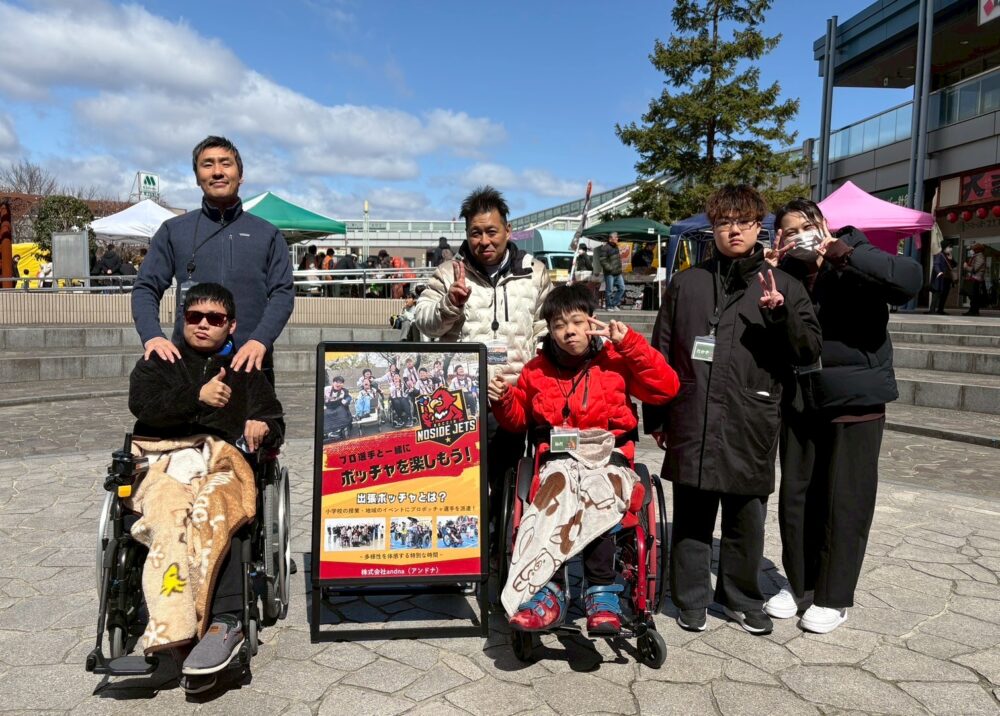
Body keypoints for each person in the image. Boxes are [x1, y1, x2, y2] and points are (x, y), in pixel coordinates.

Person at [644, 185, 822, 636]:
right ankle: (690, 598)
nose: (734, 230)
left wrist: (781, 314)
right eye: (725, 222)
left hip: (751, 414)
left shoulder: (784, 284)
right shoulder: (687, 283)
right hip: (693, 411)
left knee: (746, 516)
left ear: (759, 227)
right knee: (691, 514)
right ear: (713, 228)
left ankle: (741, 597)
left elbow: (808, 350)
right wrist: (659, 415)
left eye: (744, 222)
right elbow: (661, 352)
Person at [763, 198, 921, 634]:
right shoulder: (786, 272)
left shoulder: (854, 253)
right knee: (797, 499)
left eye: (806, 226)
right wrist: (768, 275)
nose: (799, 236)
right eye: (789, 230)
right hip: (801, 399)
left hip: (855, 400)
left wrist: (842, 253)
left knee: (844, 501)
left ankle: (834, 596)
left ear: (824, 224)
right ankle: (801, 585)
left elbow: (908, 280)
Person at [490, 284, 679, 635]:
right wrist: (503, 399)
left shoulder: (616, 359)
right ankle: (547, 588)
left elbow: (666, 388)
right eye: (560, 325)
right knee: (558, 491)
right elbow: (518, 420)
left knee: (597, 492)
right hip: (558, 461)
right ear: (550, 330)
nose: (570, 331)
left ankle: (601, 591)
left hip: (609, 456)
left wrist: (631, 344)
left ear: (592, 321)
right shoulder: (535, 371)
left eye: (577, 322)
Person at [127, 282, 284, 694]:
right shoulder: (161, 359)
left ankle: (225, 620)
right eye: (194, 316)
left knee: (215, 512)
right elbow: (143, 407)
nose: (202, 325)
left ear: (231, 325)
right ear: (183, 320)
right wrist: (197, 396)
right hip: (165, 460)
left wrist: (262, 426)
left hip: (222, 462)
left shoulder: (246, 370)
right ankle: (171, 629)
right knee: (169, 518)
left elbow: (274, 420)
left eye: (214, 319)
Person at [414, 185, 553, 559]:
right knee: (460, 479)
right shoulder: (449, 272)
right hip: (460, 399)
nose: (484, 240)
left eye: (492, 231)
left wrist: (539, 381)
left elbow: (545, 330)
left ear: (508, 230)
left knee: (508, 477)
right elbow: (423, 321)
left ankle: (498, 551)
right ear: (466, 234)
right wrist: (450, 303)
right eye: (475, 232)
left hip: (513, 394)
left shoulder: (535, 272)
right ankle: (457, 555)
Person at [132, 136, 294, 380]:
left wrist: (260, 340)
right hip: (189, 369)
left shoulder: (268, 234)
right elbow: (146, 287)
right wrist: (152, 336)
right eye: (207, 164)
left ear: (241, 175)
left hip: (251, 364)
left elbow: (283, 293)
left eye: (226, 163)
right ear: (197, 177)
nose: (217, 171)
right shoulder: (173, 230)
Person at [596, 232, 625, 311]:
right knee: (609, 290)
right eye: (616, 237)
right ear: (610, 239)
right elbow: (602, 260)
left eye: (617, 237)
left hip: (618, 272)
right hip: (609, 273)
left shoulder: (616, 247)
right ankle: (609, 306)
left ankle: (613, 304)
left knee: (622, 288)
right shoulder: (605, 248)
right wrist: (610, 268)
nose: (617, 239)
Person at [928, 246, 957, 315]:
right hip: (941, 278)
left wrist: (951, 259)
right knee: (937, 293)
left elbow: (954, 265)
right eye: (949, 247)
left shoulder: (949, 256)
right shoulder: (940, 255)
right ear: (944, 248)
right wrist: (939, 272)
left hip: (948, 278)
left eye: (951, 247)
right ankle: (932, 309)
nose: (950, 249)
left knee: (945, 294)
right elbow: (936, 265)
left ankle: (940, 309)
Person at [324, 375, 353, 440]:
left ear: (343, 384)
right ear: (333, 383)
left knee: (341, 411)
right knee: (325, 414)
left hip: (339, 406)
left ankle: (339, 431)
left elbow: (349, 397)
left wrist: (346, 400)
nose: (338, 384)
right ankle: (328, 432)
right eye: (337, 382)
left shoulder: (344, 391)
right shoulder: (326, 389)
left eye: (340, 383)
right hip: (328, 407)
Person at [963, 243, 987, 316]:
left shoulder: (980, 257)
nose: (971, 250)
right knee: (973, 296)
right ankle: (973, 310)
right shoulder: (976, 256)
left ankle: (974, 311)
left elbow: (974, 269)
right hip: (974, 278)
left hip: (976, 279)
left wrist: (966, 267)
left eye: (972, 249)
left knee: (974, 296)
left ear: (977, 250)